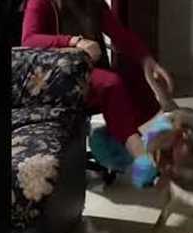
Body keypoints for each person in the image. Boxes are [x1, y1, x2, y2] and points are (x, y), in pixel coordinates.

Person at [21, 0, 174, 188]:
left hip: (91, 72)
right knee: (110, 83)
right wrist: (74, 41)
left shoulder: (93, 4)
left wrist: (147, 59)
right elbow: (29, 39)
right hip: (61, 80)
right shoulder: (41, 3)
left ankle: (163, 146)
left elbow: (120, 35)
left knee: (131, 75)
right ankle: (140, 158)